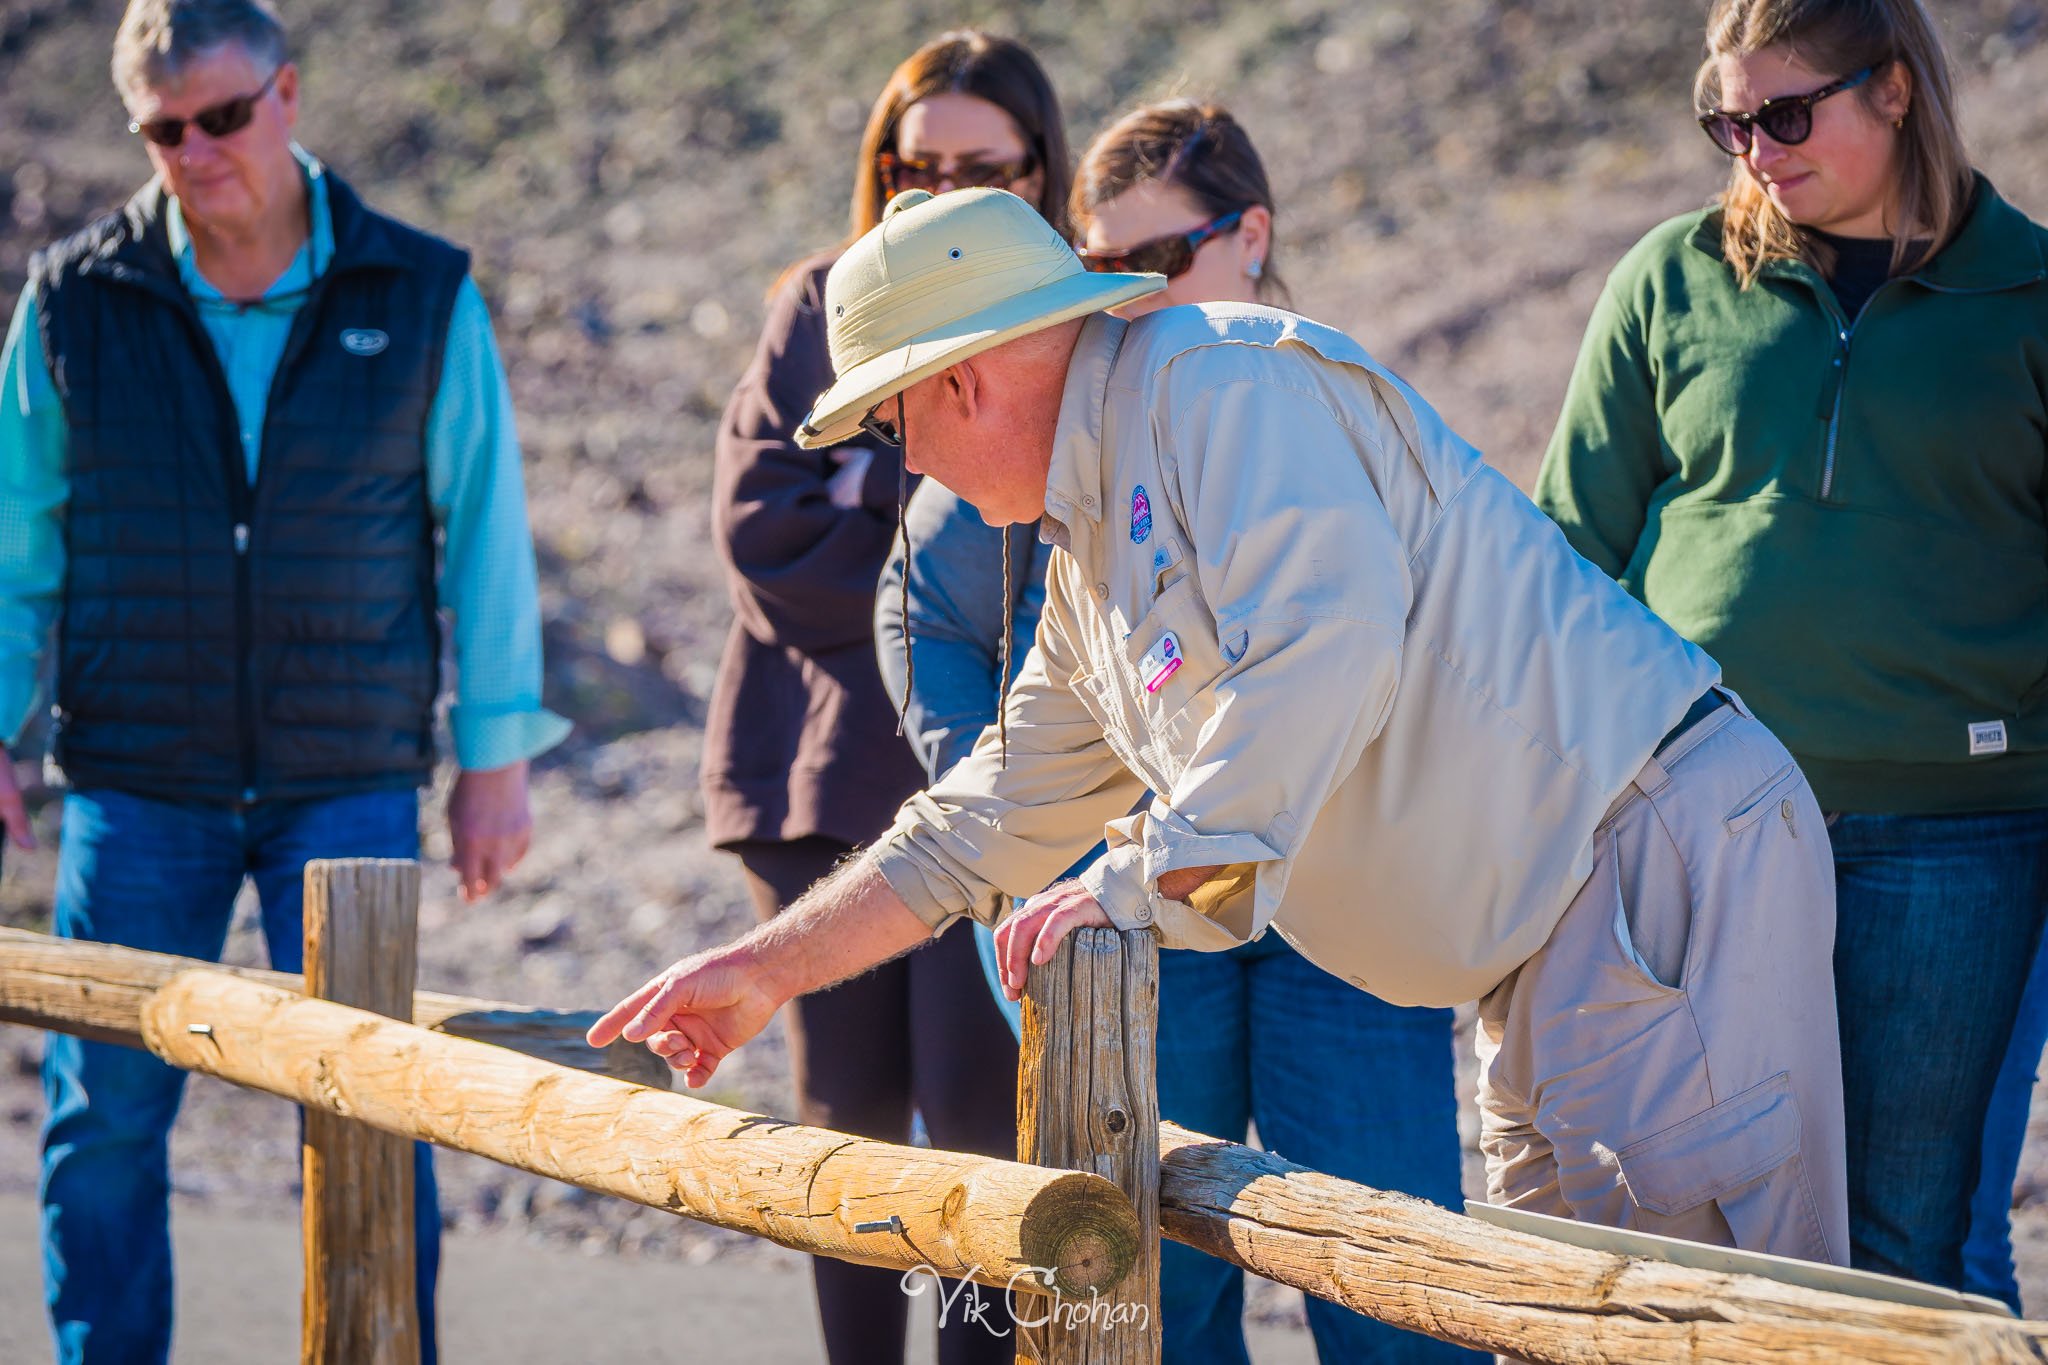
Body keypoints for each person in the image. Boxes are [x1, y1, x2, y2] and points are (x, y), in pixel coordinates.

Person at [594, 186, 1852, 1311]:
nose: (901, 462)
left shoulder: (1215, 384)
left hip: (1640, 868)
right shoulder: (1091, 542)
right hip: (1558, 933)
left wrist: (1129, 882)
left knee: (1707, 1327)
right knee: (1572, 1325)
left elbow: (1326, 644)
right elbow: (983, 817)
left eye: (886, 425)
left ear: (956, 383)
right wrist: (765, 968)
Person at [0, 2, 568, 1360]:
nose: (193, 152)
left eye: (221, 116)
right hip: (139, 780)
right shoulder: (73, 298)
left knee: (369, 1099)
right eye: (162, 129)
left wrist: (495, 757)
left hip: (348, 781)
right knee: (105, 1119)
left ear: (288, 93)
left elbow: (484, 526)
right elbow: (18, 541)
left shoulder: (419, 288)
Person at [873, 100, 1475, 1365]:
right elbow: (926, 609)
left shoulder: (1288, 392)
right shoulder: (1040, 420)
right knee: (1152, 1279)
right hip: (1135, 902)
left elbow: (1347, 650)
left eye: (1151, 264)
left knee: (1391, 1275)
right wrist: (992, 807)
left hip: (1333, 892)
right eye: (1099, 270)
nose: (1121, 299)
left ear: (1248, 236)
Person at [1535, 0, 2048, 1296]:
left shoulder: (2031, 298)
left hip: (1950, 845)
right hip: (1687, 830)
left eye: (1784, 112)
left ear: (1893, 91)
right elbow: (1560, 554)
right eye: (1727, 120)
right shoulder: (1670, 277)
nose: (1751, 150)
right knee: (1680, 1230)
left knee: (1902, 1249)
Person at [699, 30, 1061, 1365]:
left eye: (982, 166)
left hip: (1001, 782)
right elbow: (765, 540)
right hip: (824, 773)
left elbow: (1056, 556)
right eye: (916, 166)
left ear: (1040, 168)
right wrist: (937, 556)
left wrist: (874, 488)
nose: (940, 190)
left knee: (983, 1123)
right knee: (842, 1115)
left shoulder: (1055, 319)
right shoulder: (817, 304)